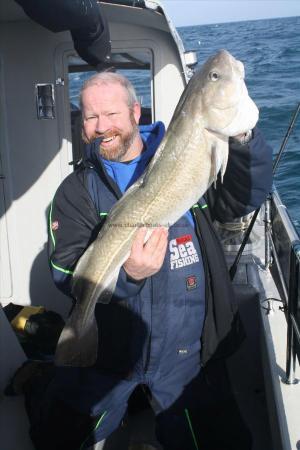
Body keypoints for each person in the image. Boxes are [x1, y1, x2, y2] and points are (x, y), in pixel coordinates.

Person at [43, 72, 272, 450]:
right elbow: (66, 269)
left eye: (111, 114)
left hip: (189, 351)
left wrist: (243, 137)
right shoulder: (74, 192)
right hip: (112, 353)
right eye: (90, 117)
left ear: (136, 111)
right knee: (56, 438)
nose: (102, 127)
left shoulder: (189, 155)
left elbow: (240, 200)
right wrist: (128, 277)